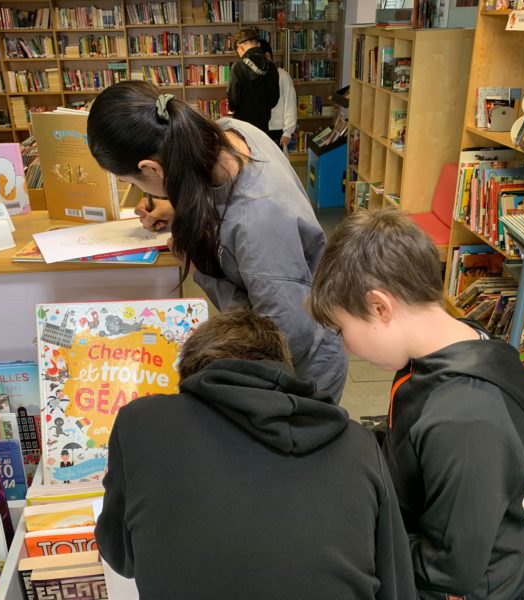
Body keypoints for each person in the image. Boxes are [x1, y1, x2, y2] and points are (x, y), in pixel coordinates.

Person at [307, 207, 524, 600]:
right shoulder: (442, 347)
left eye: (342, 329)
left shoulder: (468, 423)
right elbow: (407, 438)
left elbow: (449, 569)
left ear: (380, 307)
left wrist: (354, 539)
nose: (344, 345)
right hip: (417, 525)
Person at [94, 308, 418, 600]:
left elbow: (121, 555)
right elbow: (396, 582)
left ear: (192, 379)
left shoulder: (141, 422)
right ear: (285, 369)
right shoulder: (360, 445)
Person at [86, 81, 347, 400]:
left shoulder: (258, 223)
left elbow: (279, 339)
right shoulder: (228, 132)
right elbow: (216, 192)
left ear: (151, 168)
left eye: (131, 182)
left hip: (302, 376)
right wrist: (180, 206)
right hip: (295, 326)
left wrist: (200, 270)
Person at [226, 28, 280, 134]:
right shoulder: (272, 67)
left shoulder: (238, 67)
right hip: (263, 124)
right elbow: (274, 99)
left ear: (240, 48)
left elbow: (233, 99)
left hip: (242, 125)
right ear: (258, 44)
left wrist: (233, 107)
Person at [259, 39, 297, 149]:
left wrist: (288, 132)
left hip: (277, 131)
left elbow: (290, 104)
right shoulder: (255, 76)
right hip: (259, 129)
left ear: (267, 56)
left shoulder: (283, 76)